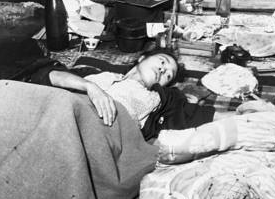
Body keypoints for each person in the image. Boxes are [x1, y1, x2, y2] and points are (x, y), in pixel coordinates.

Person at [30, 48, 217, 140]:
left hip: (86, 135)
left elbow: (198, 116)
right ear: (142, 58)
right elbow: (50, 75)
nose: (162, 69)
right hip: (52, 118)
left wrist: (244, 114)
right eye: (162, 61)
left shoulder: (158, 100)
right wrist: (90, 87)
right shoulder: (99, 75)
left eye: (168, 74)